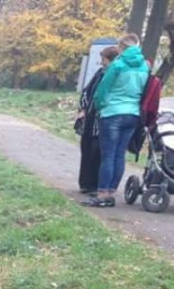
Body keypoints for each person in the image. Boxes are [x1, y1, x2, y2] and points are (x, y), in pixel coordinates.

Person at [83, 33, 148, 208]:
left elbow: (102, 90)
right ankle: (111, 192)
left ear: (122, 47)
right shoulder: (145, 67)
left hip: (112, 114)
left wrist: (100, 107)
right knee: (119, 155)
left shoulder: (117, 65)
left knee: (108, 155)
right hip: (132, 114)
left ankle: (102, 193)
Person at [76, 46, 119, 196]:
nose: (102, 63)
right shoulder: (100, 73)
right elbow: (87, 90)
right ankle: (85, 183)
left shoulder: (115, 75)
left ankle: (96, 184)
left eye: (104, 60)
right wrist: (83, 108)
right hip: (90, 116)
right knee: (86, 148)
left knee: (97, 151)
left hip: (103, 118)